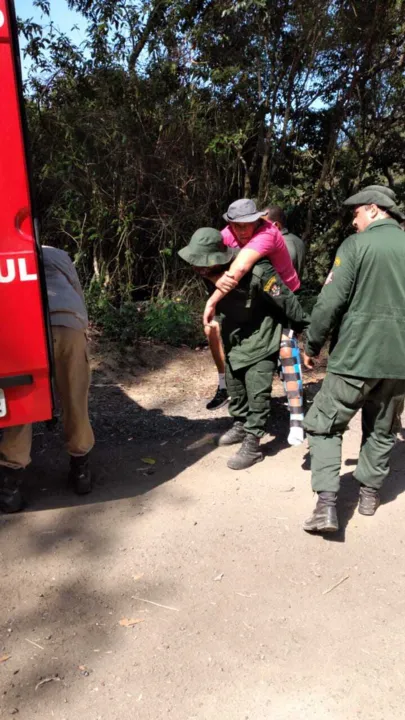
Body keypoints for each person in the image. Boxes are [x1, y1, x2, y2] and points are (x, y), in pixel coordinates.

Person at [302, 185, 405, 533]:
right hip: (400, 363)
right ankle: (369, 495)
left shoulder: (356, 247)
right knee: (382, 427)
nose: (353, 221)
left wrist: (312, 344)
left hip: (355, 357)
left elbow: (330, 302)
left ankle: (327, 506)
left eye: (356, 213)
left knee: (324, 423)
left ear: (374, 210)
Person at [179, 228, 309, 470]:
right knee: (235, 383)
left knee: (256, 387)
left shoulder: (260, 270)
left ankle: (253, 442)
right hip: (235, 334)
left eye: (203, 265)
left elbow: (286, 300)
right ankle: (240, 424)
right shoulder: (207, 271)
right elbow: (213, 281)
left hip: (263, 333)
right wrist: (214, 280)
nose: (198, 269)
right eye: (196, 264)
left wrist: (306, 328)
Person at [0, 246, 94, 513]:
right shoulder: (57, 254)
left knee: (21, 398)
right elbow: (76, 291)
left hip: (25, 329)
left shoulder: (7, 256)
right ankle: (81, 470)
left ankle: (11, 483)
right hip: (67, 324)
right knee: (75, 396)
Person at [203, 198, 300, 412]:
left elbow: (241, 265)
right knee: (220, 333)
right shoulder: (227, 233)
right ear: (230, 223)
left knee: (285, 351)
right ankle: (226, 387)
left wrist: (212, 300)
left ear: (257, 221)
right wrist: (214, 278)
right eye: (237, 225)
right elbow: (201, 261)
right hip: (253, 297)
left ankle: (296, 412)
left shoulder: (267, 233)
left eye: (247, 224)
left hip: (283, 295)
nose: (242, 231)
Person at [264, 206, 306, 446]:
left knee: (288, 360)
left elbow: (277, 284)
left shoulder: (283, 246)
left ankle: (296, 419)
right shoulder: (297, 241)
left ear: (276, 226)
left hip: (281, 308)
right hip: (288, 304)